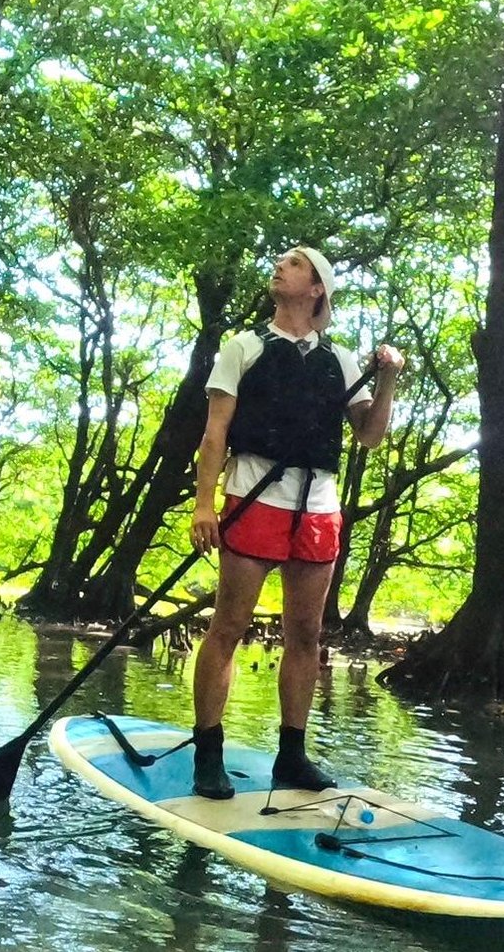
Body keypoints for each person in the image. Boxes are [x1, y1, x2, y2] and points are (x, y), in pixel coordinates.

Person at [188, 246, 404, 800]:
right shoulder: (244, 348)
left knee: (306, 634)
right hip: (253, 496)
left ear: (316, 291)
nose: (280, 267)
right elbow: (214, 435)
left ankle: (292, 755)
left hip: (318, 507)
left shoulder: (341, 362)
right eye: (281, 262)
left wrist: (388, 381)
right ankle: (207, 754)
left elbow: (371, 436)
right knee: (228, 626)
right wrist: (204, 504)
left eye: (294, 264)